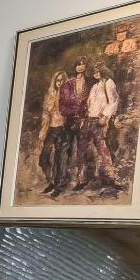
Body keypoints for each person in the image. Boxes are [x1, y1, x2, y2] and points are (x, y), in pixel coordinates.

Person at [49, 57, 90, 197]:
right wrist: (75, 112)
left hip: (85, 122)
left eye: (83, 64)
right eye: (78, 64)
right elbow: (61, 107)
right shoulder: (67, 84)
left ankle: (81, 180)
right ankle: (60, 183)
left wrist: (85, 116)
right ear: (75, 66)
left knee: (82, 151)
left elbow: (92, 103)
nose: (80, 66)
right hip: (69, 123)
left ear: (86, 66)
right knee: (63, 152)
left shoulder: (90, 83)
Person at [81, 63, 122, 190]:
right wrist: (85, 116)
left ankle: (109, 178)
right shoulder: (94, 86)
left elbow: (114, 101)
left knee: (103, 149)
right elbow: (89, 104)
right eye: (94, 71)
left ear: (103, 70)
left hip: (100, 121)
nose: (96, 73)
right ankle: (83, 178)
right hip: (89, 120)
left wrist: (104, 116)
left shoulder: (108, 83)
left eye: (98, 70)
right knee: (84, 148)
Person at [33, 70, 68, 191]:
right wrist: (43, 131)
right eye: (58, 80)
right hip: (52, 128)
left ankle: (58, 185)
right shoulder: (50, 95)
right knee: (44, 157)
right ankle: (51, 180)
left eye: (62, 80)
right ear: (54, 81)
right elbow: (45, 115)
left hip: (63, 128)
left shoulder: (67, 95)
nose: (60, 83)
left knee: (59, 157)